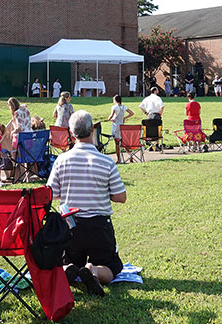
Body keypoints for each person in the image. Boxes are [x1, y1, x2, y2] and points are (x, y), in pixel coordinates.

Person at [47, 110, 127, 296]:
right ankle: (94, 271)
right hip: (99, 225)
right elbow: (120, 197)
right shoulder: (106, 162)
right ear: (92, 130)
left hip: (70, 225)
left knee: (68, 260)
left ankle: (69, 269)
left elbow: (50, 194)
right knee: (111, 268)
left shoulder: (61, 160)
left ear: (70, 132)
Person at [107, 95, 134, 164]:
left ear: (115, 100)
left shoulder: (114, 107)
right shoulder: (124, 107)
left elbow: (110, 117)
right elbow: (131, 113)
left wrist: (110, 119)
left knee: (117, 143)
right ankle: (130, 155)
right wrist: (124, 117)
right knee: (123, 142)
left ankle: (119, 159)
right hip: (122, 126)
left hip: (116, 126)